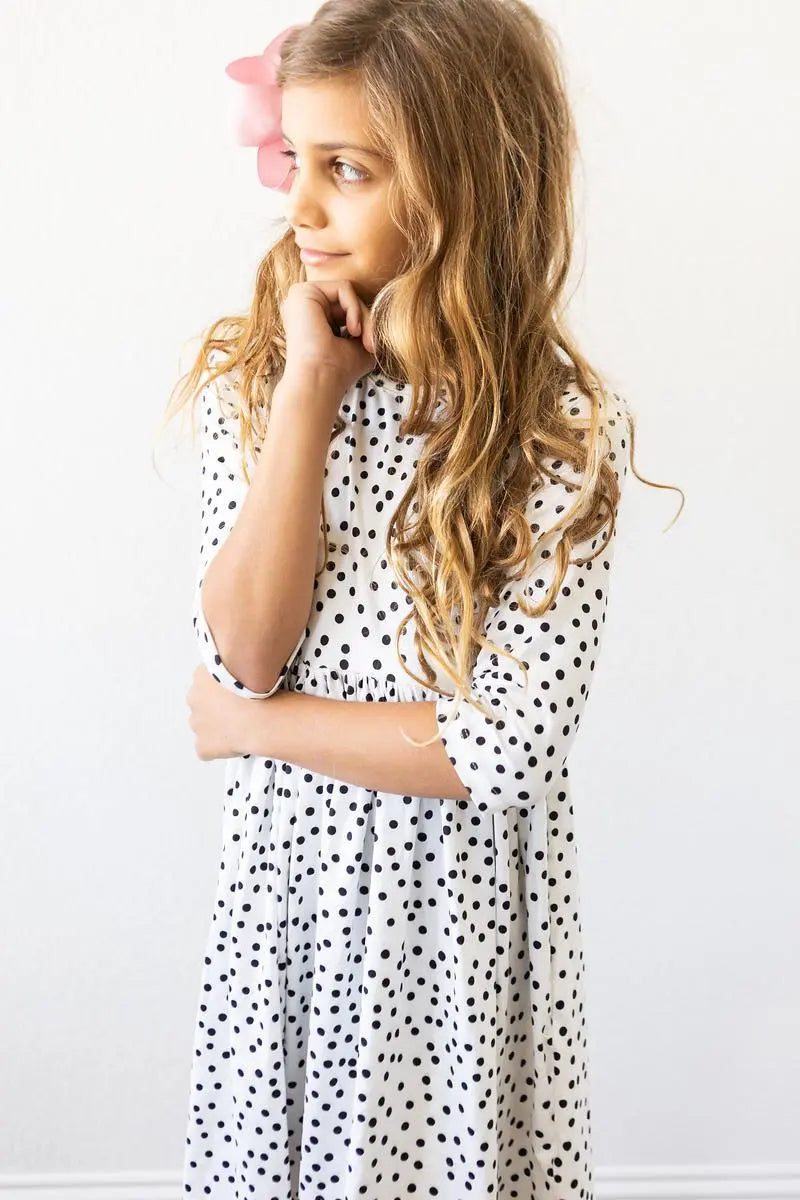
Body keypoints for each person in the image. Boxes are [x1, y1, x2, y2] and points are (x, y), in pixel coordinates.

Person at [160, 1, 682, 1196]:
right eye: (294, 160)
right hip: (283, 911)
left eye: (345, 170)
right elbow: (242, 646)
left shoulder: (553, 435)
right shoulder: (261, 382)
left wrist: (257, 730)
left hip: (451, 940)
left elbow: (497, 744)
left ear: (464, 182)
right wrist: (307, 397)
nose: (299, 207)